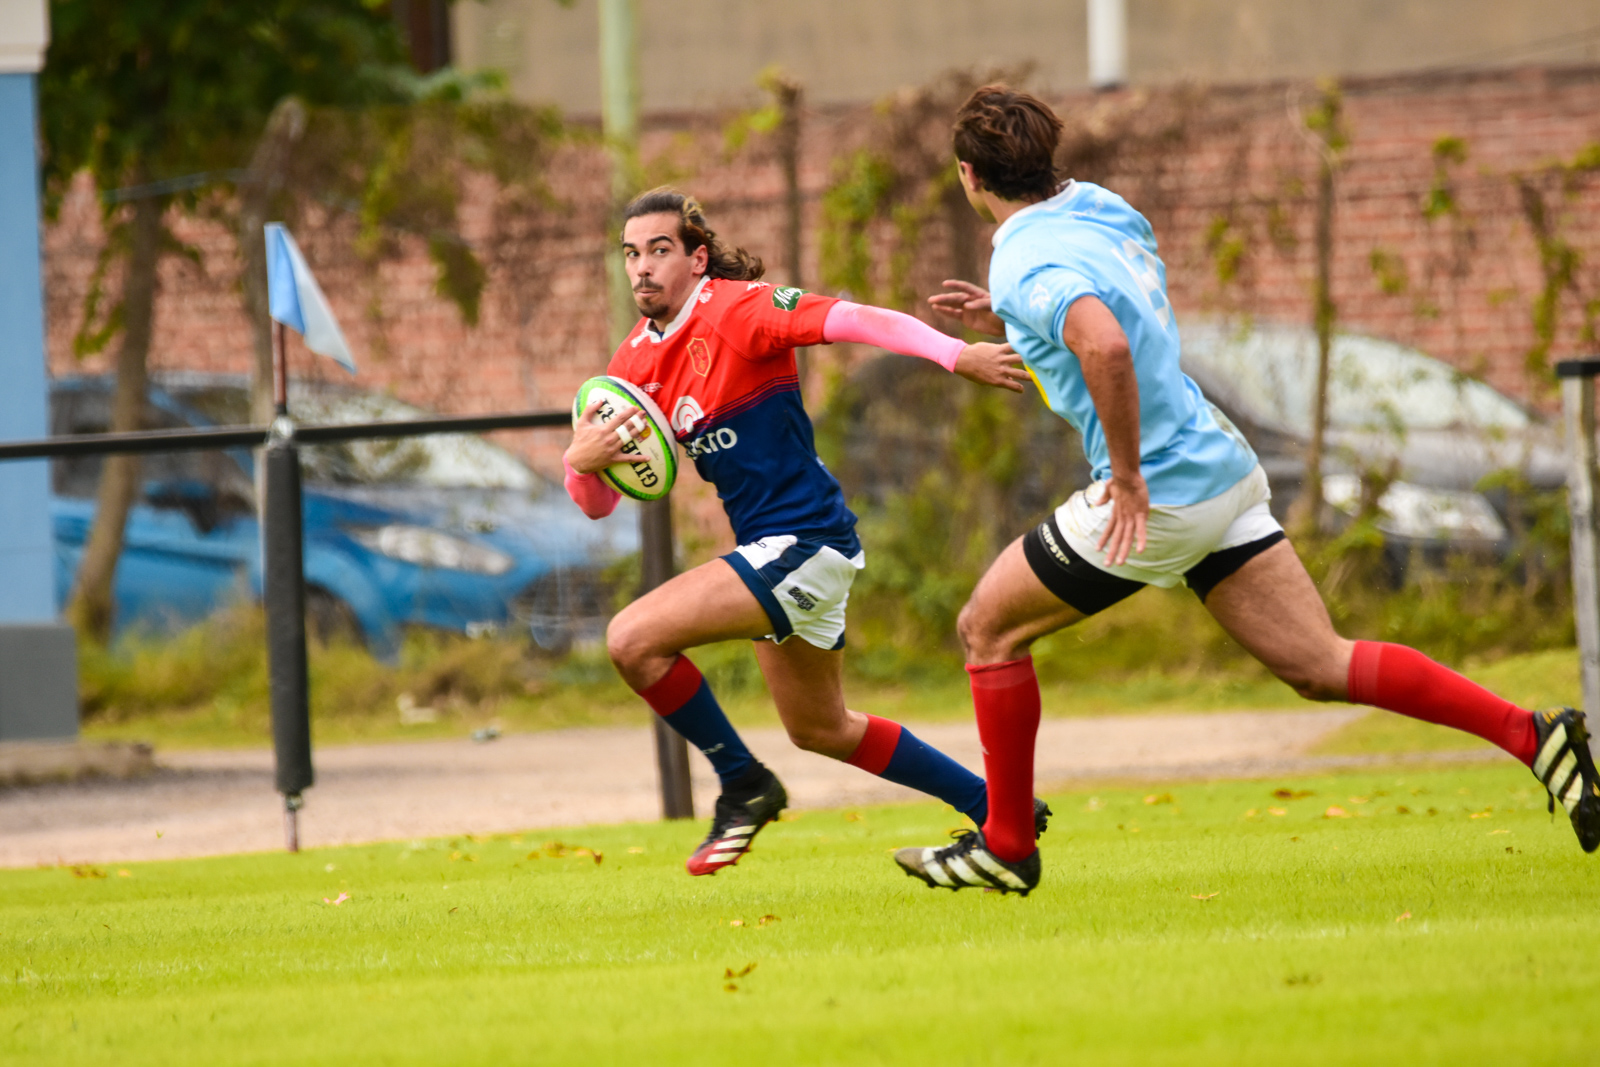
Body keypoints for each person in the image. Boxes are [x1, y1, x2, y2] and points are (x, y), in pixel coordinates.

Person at [893, 86, 1600, 897]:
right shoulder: (1099, 207)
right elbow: (1112, 302)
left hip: (1156, 489)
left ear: (967, 174)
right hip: (1220, 465)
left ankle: (1009, 846)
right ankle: (1533, 735)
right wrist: (1018, 316)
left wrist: (1124, 477)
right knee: (1317, 662)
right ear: (1048, 154)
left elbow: (1108, 345)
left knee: (986, 628)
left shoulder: (1021, 255)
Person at [565, 187, 1049, 876]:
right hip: (780, 550)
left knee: (632, 639)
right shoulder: (632, 367)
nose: (641, 267)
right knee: (821, 728)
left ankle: (742, 782)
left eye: (660, 250)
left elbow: (859, 320)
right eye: (630, 254)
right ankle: (1000, 810)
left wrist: (954, 355)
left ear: (698, 259)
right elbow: (597, 504)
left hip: (804, 540)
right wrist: (579, 462)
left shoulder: (740, 309)